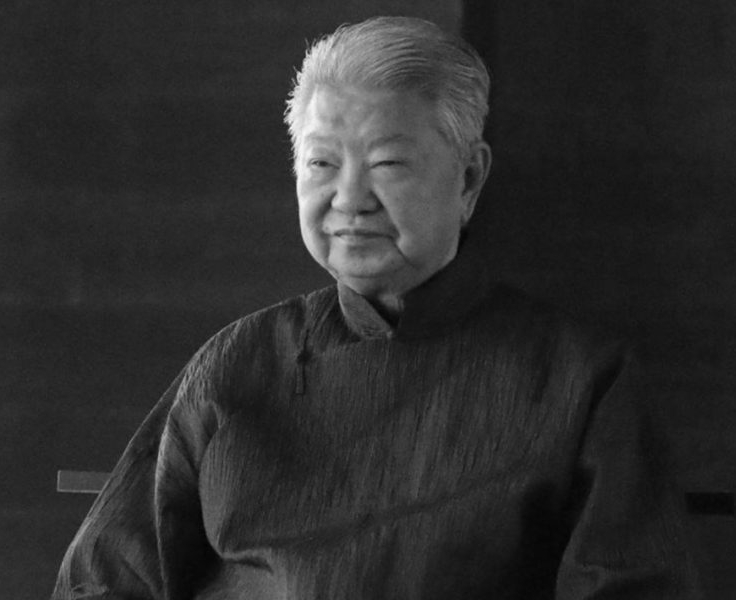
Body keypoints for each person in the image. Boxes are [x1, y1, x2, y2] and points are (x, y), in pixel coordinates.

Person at [53, 16, 701, 599]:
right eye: (322, 163)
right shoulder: (237, 361)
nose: (350, 198)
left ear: (469, 178)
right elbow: (103, 580)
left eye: (388, 163)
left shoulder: (579, 378)